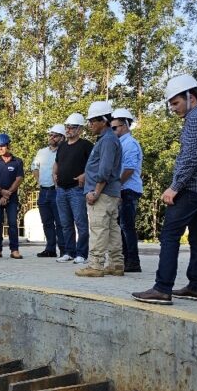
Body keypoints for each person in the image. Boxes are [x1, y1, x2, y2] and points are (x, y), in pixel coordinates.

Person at [132, 75, 197, 305]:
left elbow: (189, 157)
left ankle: (162, 288)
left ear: (191, 97)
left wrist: (174, 187)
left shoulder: (195, 119)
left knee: (170, 235)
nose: (173, 108)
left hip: (190, 188)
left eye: (176, 103)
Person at [77, 101, 123, 277]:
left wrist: (96, 191)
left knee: (98, 228)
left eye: (92, 121)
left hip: (102, 193)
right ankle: (116, 264)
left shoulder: (107, 141)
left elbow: (104, 170)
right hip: (111, 192)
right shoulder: (110, 139)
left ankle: (95, 265)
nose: (90, 125)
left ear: (103, 121)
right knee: (112, 229)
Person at [54, 112, 92, 265]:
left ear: (80, 129)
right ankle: (69, 252)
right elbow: (57, 162)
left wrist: (84, 175)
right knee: (65, 223)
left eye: (71, 127)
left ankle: (82, 253)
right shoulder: (62, 146)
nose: (68, 130)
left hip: (76, 189)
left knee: (81, 223)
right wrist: (54, 174)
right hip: (61, 190)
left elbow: (94, 165)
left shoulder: (86, 145)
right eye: (66, 127)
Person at [111, 108, 143, 273]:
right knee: (121, 226)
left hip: (128, 189)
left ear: (124, 126)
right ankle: (125, 259)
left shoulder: (129, 144)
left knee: (126, 226)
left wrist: (116, 185)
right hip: (123, 189)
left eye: (114, 127)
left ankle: (133, 262)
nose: (112, 130)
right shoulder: (120, 143)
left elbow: (129, 169)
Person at [0, 133, 25, 258]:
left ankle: (14, 250)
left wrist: (7, 194)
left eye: (2, 146)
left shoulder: (17, 162)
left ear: (8, 145)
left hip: (12, 197)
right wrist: (1, 192)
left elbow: (19, 179)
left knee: (13, 223)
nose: (0, 149)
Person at [31, 124, 66, 257]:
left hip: (57, 190)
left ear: (62, 138)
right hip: (43, 190)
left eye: (54, 135)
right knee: (46, 222)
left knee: (60, 222)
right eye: (50, 135)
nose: (51, 137)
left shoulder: (64, 152)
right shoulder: (41, 152)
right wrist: (38, 180)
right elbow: (34, 166)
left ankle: (64, 250)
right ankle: (50, 249)